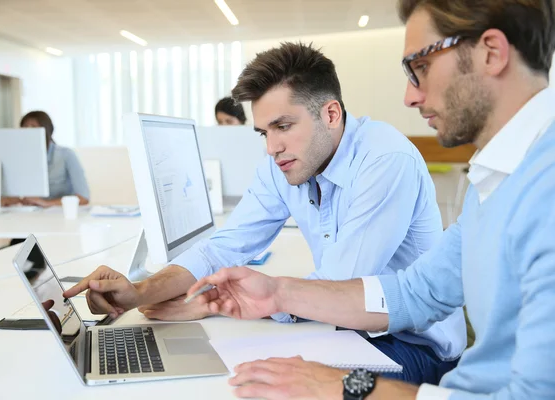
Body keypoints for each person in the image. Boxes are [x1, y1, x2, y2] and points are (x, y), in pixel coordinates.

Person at [185, 0, 555, 398]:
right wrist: (278, 293)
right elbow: (417, 291)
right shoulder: (498, 177)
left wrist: (349, 387)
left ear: (491, 52)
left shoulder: (544, 191)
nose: (410, 97)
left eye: (421, 67)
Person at [64, 43, 466, 384]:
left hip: (412, 349)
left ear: (331, 114)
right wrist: (140, 293)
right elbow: (222, 249)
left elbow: (343, 285)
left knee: (263, 384)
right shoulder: (285, 164)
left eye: (283, 126)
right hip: (342, 330)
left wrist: (214, 302)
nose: (271, 147)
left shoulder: (384, 159)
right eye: (263, 132)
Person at [1, 111, 90, 207]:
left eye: (34, 127)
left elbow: (83, 198)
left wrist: (46, 203)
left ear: (48, 131)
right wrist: (11, 200)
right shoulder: (18, 158)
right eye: (25, 127)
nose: (29, 132)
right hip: (29, 213)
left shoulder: (66, 155)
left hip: (59, 214)